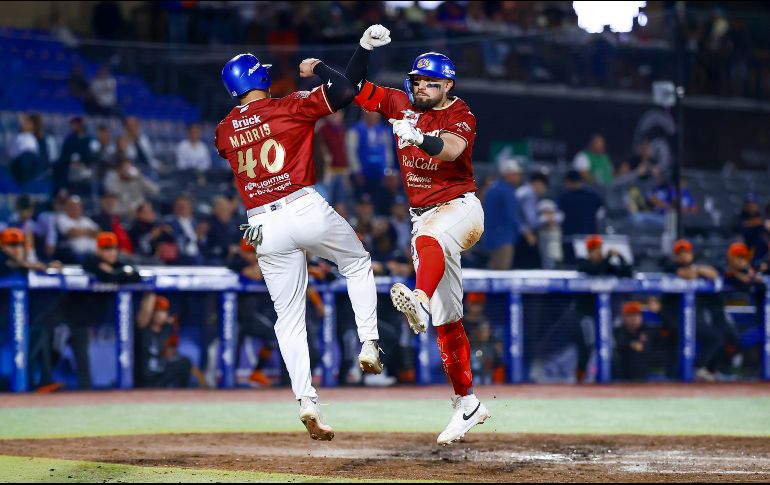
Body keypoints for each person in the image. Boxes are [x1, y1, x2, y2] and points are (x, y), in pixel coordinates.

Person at [215, 27, 387, 441]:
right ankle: (369, 343)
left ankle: (306, 401)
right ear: (259, 80)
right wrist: (324, 67)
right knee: (358, 262)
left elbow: (241, 140)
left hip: (258, 222)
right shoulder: (287, 106)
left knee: (288, 318)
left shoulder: (223, 131)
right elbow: (345, 89)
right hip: (301, 203)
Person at [347, 40, 491, 444]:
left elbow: (452, 149)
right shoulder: (401, 105)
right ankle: (468, 403)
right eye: (417, 80)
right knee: (448, 321)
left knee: (430, 239)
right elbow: (352, 86)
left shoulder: (461, 113)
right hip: (423, 217)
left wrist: (418, 138)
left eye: (431, 82)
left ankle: (420, 299)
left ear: (448, 85)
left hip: (461, 209)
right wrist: (338, 59)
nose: (422, 87)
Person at [135, 294, 200, 388]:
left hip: (159, 377)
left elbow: (170, 354)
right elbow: (145, 311)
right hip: (144, 380)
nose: (159, 314)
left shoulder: (168, 328)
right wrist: (150, 289)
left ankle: (182, 394)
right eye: (156, 311)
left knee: (185, 363)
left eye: (162, 311)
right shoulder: (143, 328)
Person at [482, 158, 522, 270]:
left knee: (493, 268)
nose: (518, 177)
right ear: (507, 174)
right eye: (516, 174)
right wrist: (523, 230)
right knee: (501, 272)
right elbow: (512, 214)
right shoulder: (506, 190)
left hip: (491, 236)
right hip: (503, 238)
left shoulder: (493, 187)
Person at [515, 171, 549, 269]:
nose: (544, 190)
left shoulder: (522, 190)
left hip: (518, 232)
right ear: (538, 183)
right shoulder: (528, 194)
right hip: (524, 235)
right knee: (531, 266)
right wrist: (546, 218)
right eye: (544, 186)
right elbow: (531, 221)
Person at [613, 301, 652, 381]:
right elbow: (620, 344)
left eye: (637, 315)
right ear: (623, 317)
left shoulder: (646, 330)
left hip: (644, 378)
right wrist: (630, 344)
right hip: (619, 378)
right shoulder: (618, 331)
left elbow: (646, 348)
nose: (634, 318)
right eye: (630, 315)